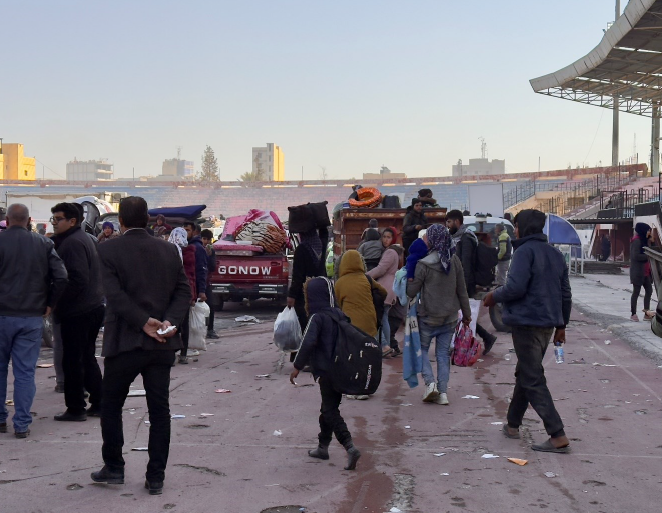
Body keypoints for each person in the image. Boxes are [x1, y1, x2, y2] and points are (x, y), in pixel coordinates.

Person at [91, 196, 191, 495]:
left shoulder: (107, 249)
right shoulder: (169, 250)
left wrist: (141, 321)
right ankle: (156, 476)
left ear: (120, 221)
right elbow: (183, 291)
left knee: (111, 406)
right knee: (159, 410)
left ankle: (115, 467)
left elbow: (114, 295)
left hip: (124, 342)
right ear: (149, 219)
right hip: (161, 345)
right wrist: (167, 324)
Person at [483, 209, 572, 453]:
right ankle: (512, 424)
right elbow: (565, 293)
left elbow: (514, 288)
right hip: (547, 324)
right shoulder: (555, 254)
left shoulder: (523, 252)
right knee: (526, 371)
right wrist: (561, 325)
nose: (516, 230)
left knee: (532, 377)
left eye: (517, 226)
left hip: (526, 322)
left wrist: (493, 296)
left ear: (523, 227)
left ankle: (557, 434)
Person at [0, 204, 68, 438]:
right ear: (29, 220)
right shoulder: (44, 243)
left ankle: (0, 419)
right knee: (25, 372)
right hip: (30, 316)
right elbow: (61, 277)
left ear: (7, 220)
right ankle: (21, 423)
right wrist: (49, 303)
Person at [289, 277, 362, 471]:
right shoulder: (340, 314)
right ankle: (323, 446)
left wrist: (297, 366)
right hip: (341, 369)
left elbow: (308, 342)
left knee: (330, 411)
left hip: (326, 370)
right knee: (328, 408)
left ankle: (349, 446)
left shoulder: (317, 317)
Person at [50, 202, 105, 422]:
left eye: (57, 219)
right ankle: (99, 402)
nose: (54, 223)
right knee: (86, 357)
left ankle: (75, 407)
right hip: (91, 307)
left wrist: (56, 302)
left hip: (78, 311)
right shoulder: (81, 239)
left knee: (72, 361)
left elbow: (77, 279)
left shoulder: (73, 243)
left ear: (72, 221)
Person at [406, 224, 471, 405]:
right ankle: (443, 393)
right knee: (442, 354)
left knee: (423, 351)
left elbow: (412, 292)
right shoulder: (454, 260)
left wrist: (407, 278)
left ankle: (430, 383)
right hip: (450, 316)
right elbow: (462, 290)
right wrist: (466, 314)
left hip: (428, 317)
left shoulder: (423, 264)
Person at [446, 209, 497, 354]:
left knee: (465, 314)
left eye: (449, 222)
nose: (448, 225)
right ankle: (485, 338)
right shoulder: (458, 237)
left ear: (457, 221)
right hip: (460, 281)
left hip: (465, 282)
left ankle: (467, 343)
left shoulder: (466, 238)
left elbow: (466, 264)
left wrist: (463, 286)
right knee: (464, 315)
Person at [335, 250, 387, 341]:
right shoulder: (366, 278)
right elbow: (383, 292)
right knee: (370, 349)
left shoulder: (339, 283)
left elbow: (337, 305)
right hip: (370, 323)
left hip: (351, 326)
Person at [367, 242, 402, 357]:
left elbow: (381, 269)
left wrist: (365, 276)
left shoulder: (390, 252)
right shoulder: (397, 255)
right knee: (384, 318)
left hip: (385, 287)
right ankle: (387, 346)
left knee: (379, 319)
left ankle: (384, 346)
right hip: (391, 288)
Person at [168, 228, 197, 364]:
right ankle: (181, 353)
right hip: (183, 293)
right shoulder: (187, 251)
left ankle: (174, 353)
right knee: (182, 324)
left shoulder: (168, 249)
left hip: (172, 293)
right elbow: (192, 277)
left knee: (173, 323)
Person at [630, 223, 654, 322]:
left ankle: (647, 313)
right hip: (638, 272)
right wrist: (648, 256)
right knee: (636, 292)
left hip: (646, 272)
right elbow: (635, 256)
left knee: (649, 291)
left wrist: (652, 241)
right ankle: (633, 314)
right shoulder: (636, 241)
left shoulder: (645, 241)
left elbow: (652, 250)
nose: (649, 233)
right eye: (648, 230)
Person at [200, 228, 219, 339]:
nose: (206, 241)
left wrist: (210, 255)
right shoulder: (197, 249)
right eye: (204, 239)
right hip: (198, 282)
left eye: (208, 239)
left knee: (211, 305)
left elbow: (212, 267)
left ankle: (210, 330)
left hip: (206, 282)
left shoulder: (211, 251)